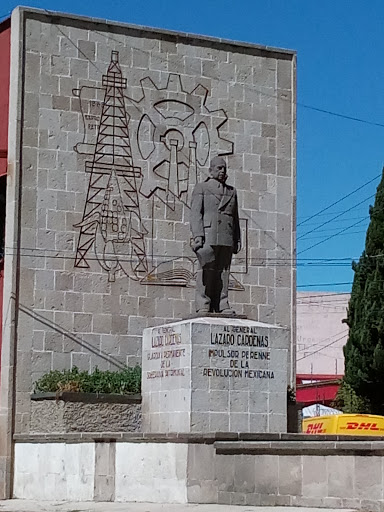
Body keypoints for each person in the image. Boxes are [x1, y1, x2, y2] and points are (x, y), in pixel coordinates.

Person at [190, 156, 241, 314]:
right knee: (206, 269)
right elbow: (195, 213)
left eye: (224, 168)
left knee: (224, 271)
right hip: (209, 234)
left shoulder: (232, 191)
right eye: (219, 168)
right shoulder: (202, 188)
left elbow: (235, 217)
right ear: (211, 170)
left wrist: (237, 238)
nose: (222, 171)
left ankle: (222, 303)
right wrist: (198, 235)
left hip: (226, 236)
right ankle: (203, 303)